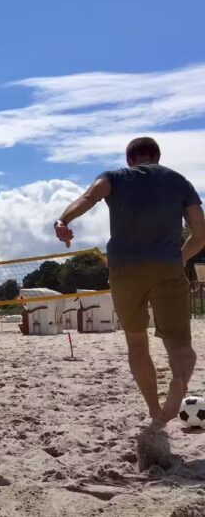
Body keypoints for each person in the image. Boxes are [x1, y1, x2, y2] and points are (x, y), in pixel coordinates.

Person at [54, 137, 205, 428]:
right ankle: (179, 381)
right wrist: (180, 257)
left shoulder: (115, 177)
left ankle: (154, 411)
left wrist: (63, 221)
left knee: (137, 341)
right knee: (179, 343)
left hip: (124, 269)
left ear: (129, 159)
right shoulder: (180, 182)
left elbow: (88, 198)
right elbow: (200, 235)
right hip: (167, 266)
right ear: (157, 157)